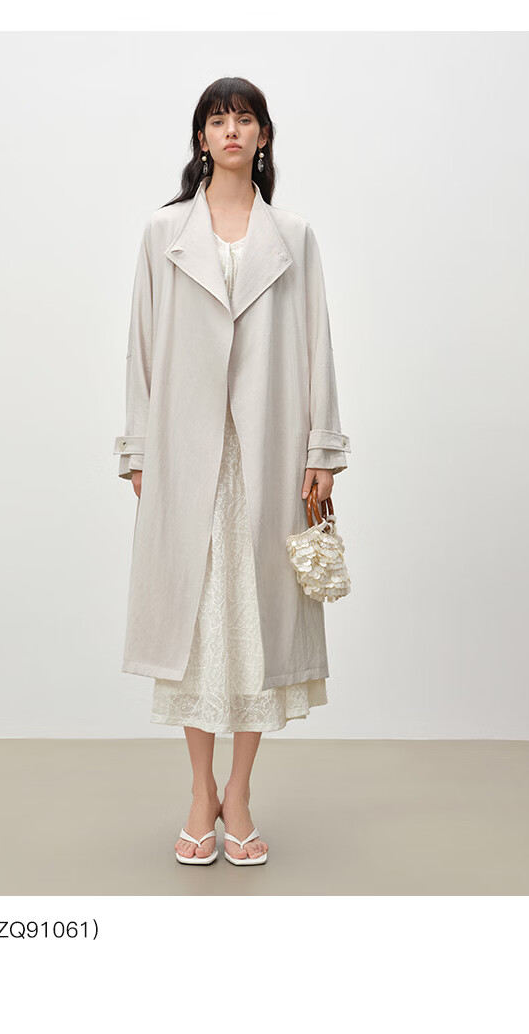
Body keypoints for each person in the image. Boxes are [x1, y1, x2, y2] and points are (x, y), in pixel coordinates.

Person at [115, 76, 351, 866]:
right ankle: (198, 791)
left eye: (243, 118)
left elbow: (317, 342)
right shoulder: (163, 234)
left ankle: (239, 793)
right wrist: (138, 451)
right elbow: (141, 345)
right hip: (186, 456)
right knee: (192, 625)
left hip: (269, 452)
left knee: (255, 627)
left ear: (263, 135)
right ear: (201, 138)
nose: (231, 131)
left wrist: (321, 450)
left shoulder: (295, 236)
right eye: (218, 119)